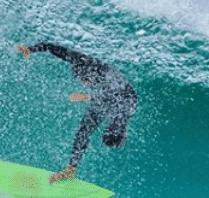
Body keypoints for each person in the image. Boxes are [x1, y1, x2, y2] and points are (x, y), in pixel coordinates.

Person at [17, 42, 137, 183]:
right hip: (103, 96)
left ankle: (122, 134)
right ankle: (71, 170)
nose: (84, 83)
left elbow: (114, 96)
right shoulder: (78, 59)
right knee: (84, 130)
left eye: (86, 79)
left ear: (94, 73)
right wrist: (31, 49)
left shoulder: (107, 76)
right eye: (81, 79)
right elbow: (50, 47)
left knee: (110, 139)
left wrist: (88, 97)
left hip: (125, 100)